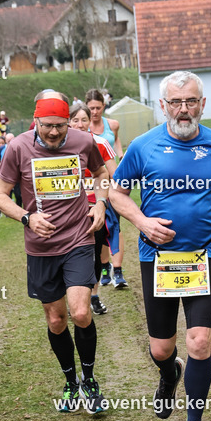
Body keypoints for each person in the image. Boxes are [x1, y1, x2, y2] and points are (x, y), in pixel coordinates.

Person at [110, 70, 211, 421]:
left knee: (199, 341)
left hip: (202, 256)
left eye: (190, 101)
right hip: (157, 259)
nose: (183, 109)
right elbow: (117, 192)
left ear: (202, 104)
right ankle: (168, 373)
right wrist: (141, 221)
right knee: (162, 348)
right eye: (175, 102)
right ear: (163, 106)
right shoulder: (143, 147)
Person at [0, 92, 109, 414]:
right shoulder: (18, 148)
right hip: (41, 247)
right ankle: (70, 382)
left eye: (60, 126)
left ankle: (89, 380)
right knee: (57, 320)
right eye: (47, 127)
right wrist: (27, 218)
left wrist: (99, 202)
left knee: (81, 313)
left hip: (79, 238)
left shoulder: (84, 142)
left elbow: (101, 175)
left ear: (68, 123)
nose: (54, 133)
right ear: (36, 121)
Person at [69, 101, 119, 315]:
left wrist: (99, 197)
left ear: (91, 122)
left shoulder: (99, 143)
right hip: (69, 209)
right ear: (68, 122)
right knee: (70, 254)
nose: (80, 125)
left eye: (84, 120)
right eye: (75, 120)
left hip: (94, 207)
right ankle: (74, 299)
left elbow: (113, 175)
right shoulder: (61, 147)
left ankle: (94, 295)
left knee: (95, 252)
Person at [85, 88, 127, 288]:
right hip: (91, 185)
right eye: (91, 108)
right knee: (98, 230)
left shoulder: (112, 125)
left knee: (115, 227)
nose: (94, 112)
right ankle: (104, 267)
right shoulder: (81, 128)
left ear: (103, 106)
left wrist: (119, 153)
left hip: (112, 178)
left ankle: (118, 271)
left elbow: (115, 140)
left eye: (98, 107)